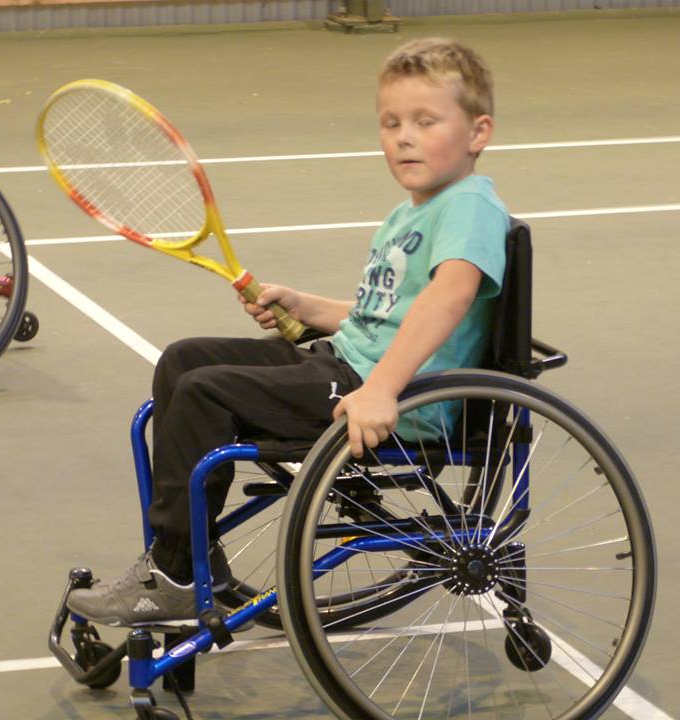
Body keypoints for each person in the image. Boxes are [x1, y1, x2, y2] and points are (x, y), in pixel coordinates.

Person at [66, 37, 509, 626]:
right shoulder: (411, 212)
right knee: (182, 361)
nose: (403, 136)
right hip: (344, 364)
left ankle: (173, 574)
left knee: (205, 393)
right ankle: (196, 556)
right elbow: (384, 315)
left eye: (426, 121)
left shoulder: (470, 206)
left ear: (478, 133)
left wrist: (380, 390)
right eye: (391, 122)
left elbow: (450, 295)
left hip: (394, 397)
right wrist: (307, 307)